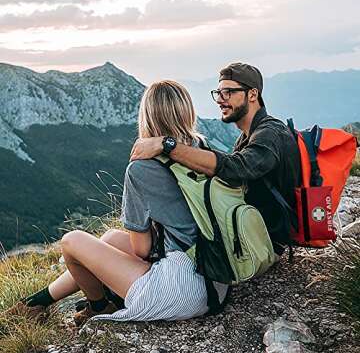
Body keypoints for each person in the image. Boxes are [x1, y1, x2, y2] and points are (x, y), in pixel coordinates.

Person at [4, 80, 228, 326]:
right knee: (110, 238)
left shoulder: (141, 168)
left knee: (71, 241)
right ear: (187, 111)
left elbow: (142, 250)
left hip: (181, 290)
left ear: (147, 116)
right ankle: (35, 303)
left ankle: (98, 305)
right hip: (214, 278)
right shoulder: (201, 149)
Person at [131, 62, 301, 256]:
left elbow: (238, 169)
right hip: (251, 235)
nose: (220, 100)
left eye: (228, 92)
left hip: (263, 243)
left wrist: (167, 145)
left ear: (252, 95)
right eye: (218, 93)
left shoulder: (270, 133)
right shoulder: (248, 136)